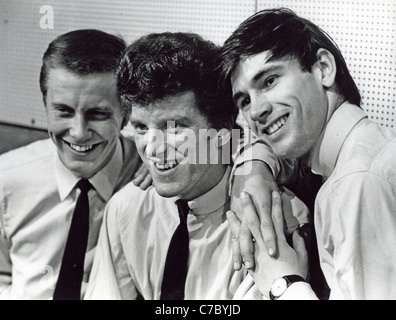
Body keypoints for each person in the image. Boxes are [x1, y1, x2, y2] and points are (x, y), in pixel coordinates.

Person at [85, 32, 309, 300]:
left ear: (222, 132)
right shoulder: (125, 209)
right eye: (141, 127)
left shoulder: (271, 216)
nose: (153, 148)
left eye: (175, 127)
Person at [220, 8, 396, 299]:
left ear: (323, 69)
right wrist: (255, 168)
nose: (256, 110)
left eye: (269, 81)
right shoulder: (360, 153)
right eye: (244, 100)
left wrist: (284, 284)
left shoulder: (357, 183)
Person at [0, 29, 151, 300]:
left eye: (98, 114)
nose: (79, 132)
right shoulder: (5, 178)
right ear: (45, 104)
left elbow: (223, 143)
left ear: (126, 113)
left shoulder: (149, 175)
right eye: (63, 111)